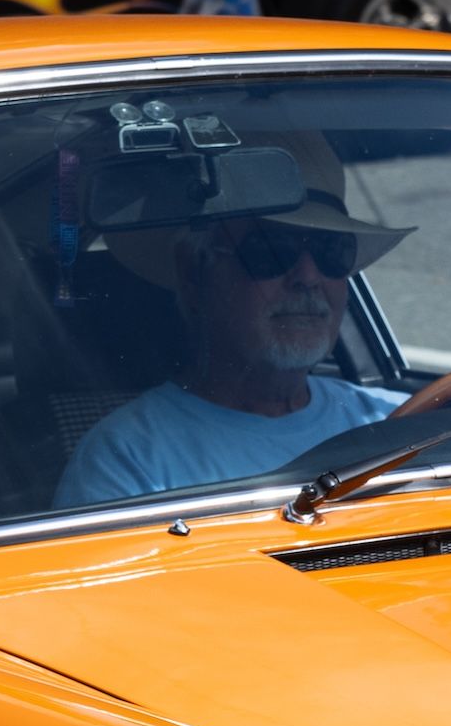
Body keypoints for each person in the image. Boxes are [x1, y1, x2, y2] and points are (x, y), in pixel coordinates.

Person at [55, 138, 413, 507]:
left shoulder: (401, 420)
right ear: (195, 273)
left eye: (331, 253)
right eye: (271, 251)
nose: (307, 276)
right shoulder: (128, 459)